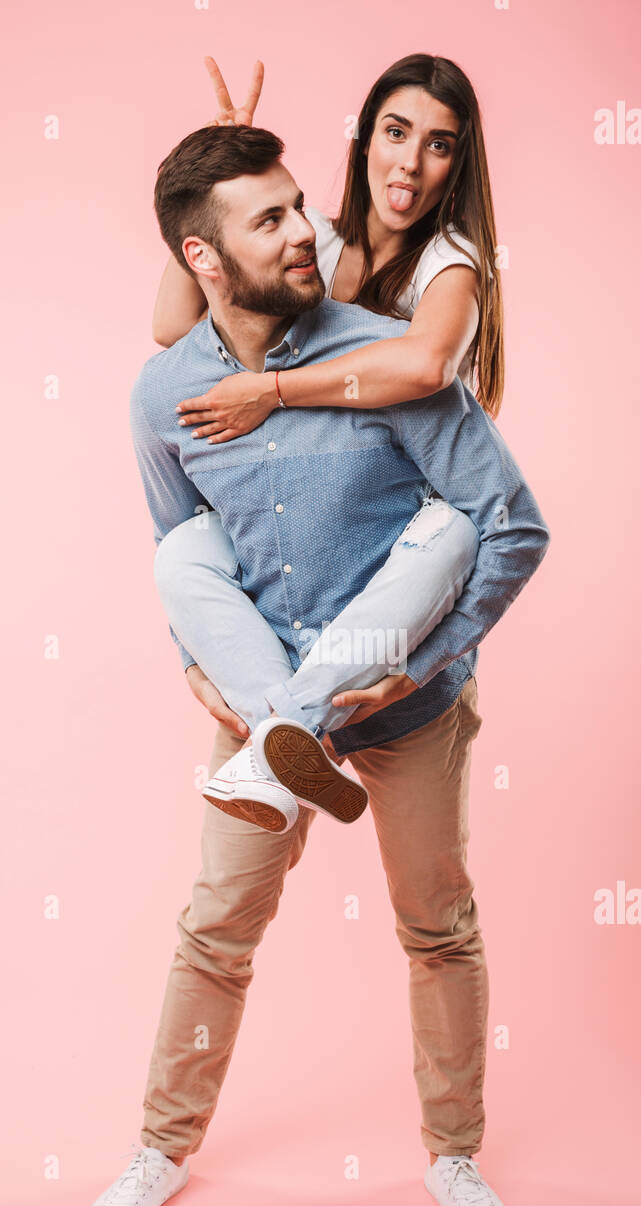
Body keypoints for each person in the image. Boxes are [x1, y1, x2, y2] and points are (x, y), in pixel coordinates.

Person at [77, 122, 549, 1206]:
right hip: (259, 702)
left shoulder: (377, 353)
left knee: (436, 926)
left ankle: (452, 1153)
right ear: (203, 260)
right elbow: (181, 547)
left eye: (299, 207)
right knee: (213, 932)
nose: (311, 233)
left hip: (404, 699)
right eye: (272, 219)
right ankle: (160, 1145)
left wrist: (431, 661)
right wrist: (199, 668)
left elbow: (510, 523)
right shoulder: (162, 397)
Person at [146, 55, 510, 828]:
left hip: (403, 559)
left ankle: (286, 736)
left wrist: (270, 389)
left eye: (439, 145)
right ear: (364, 139)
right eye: (396, 132)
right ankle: (287, 742)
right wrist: (214, 187)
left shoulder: (454, 266)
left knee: (435, 915)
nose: (410, 161)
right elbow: (177, 329)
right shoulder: (325, 240)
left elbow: (422, 363)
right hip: (296, 580)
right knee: (184, 551)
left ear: (459, 165)